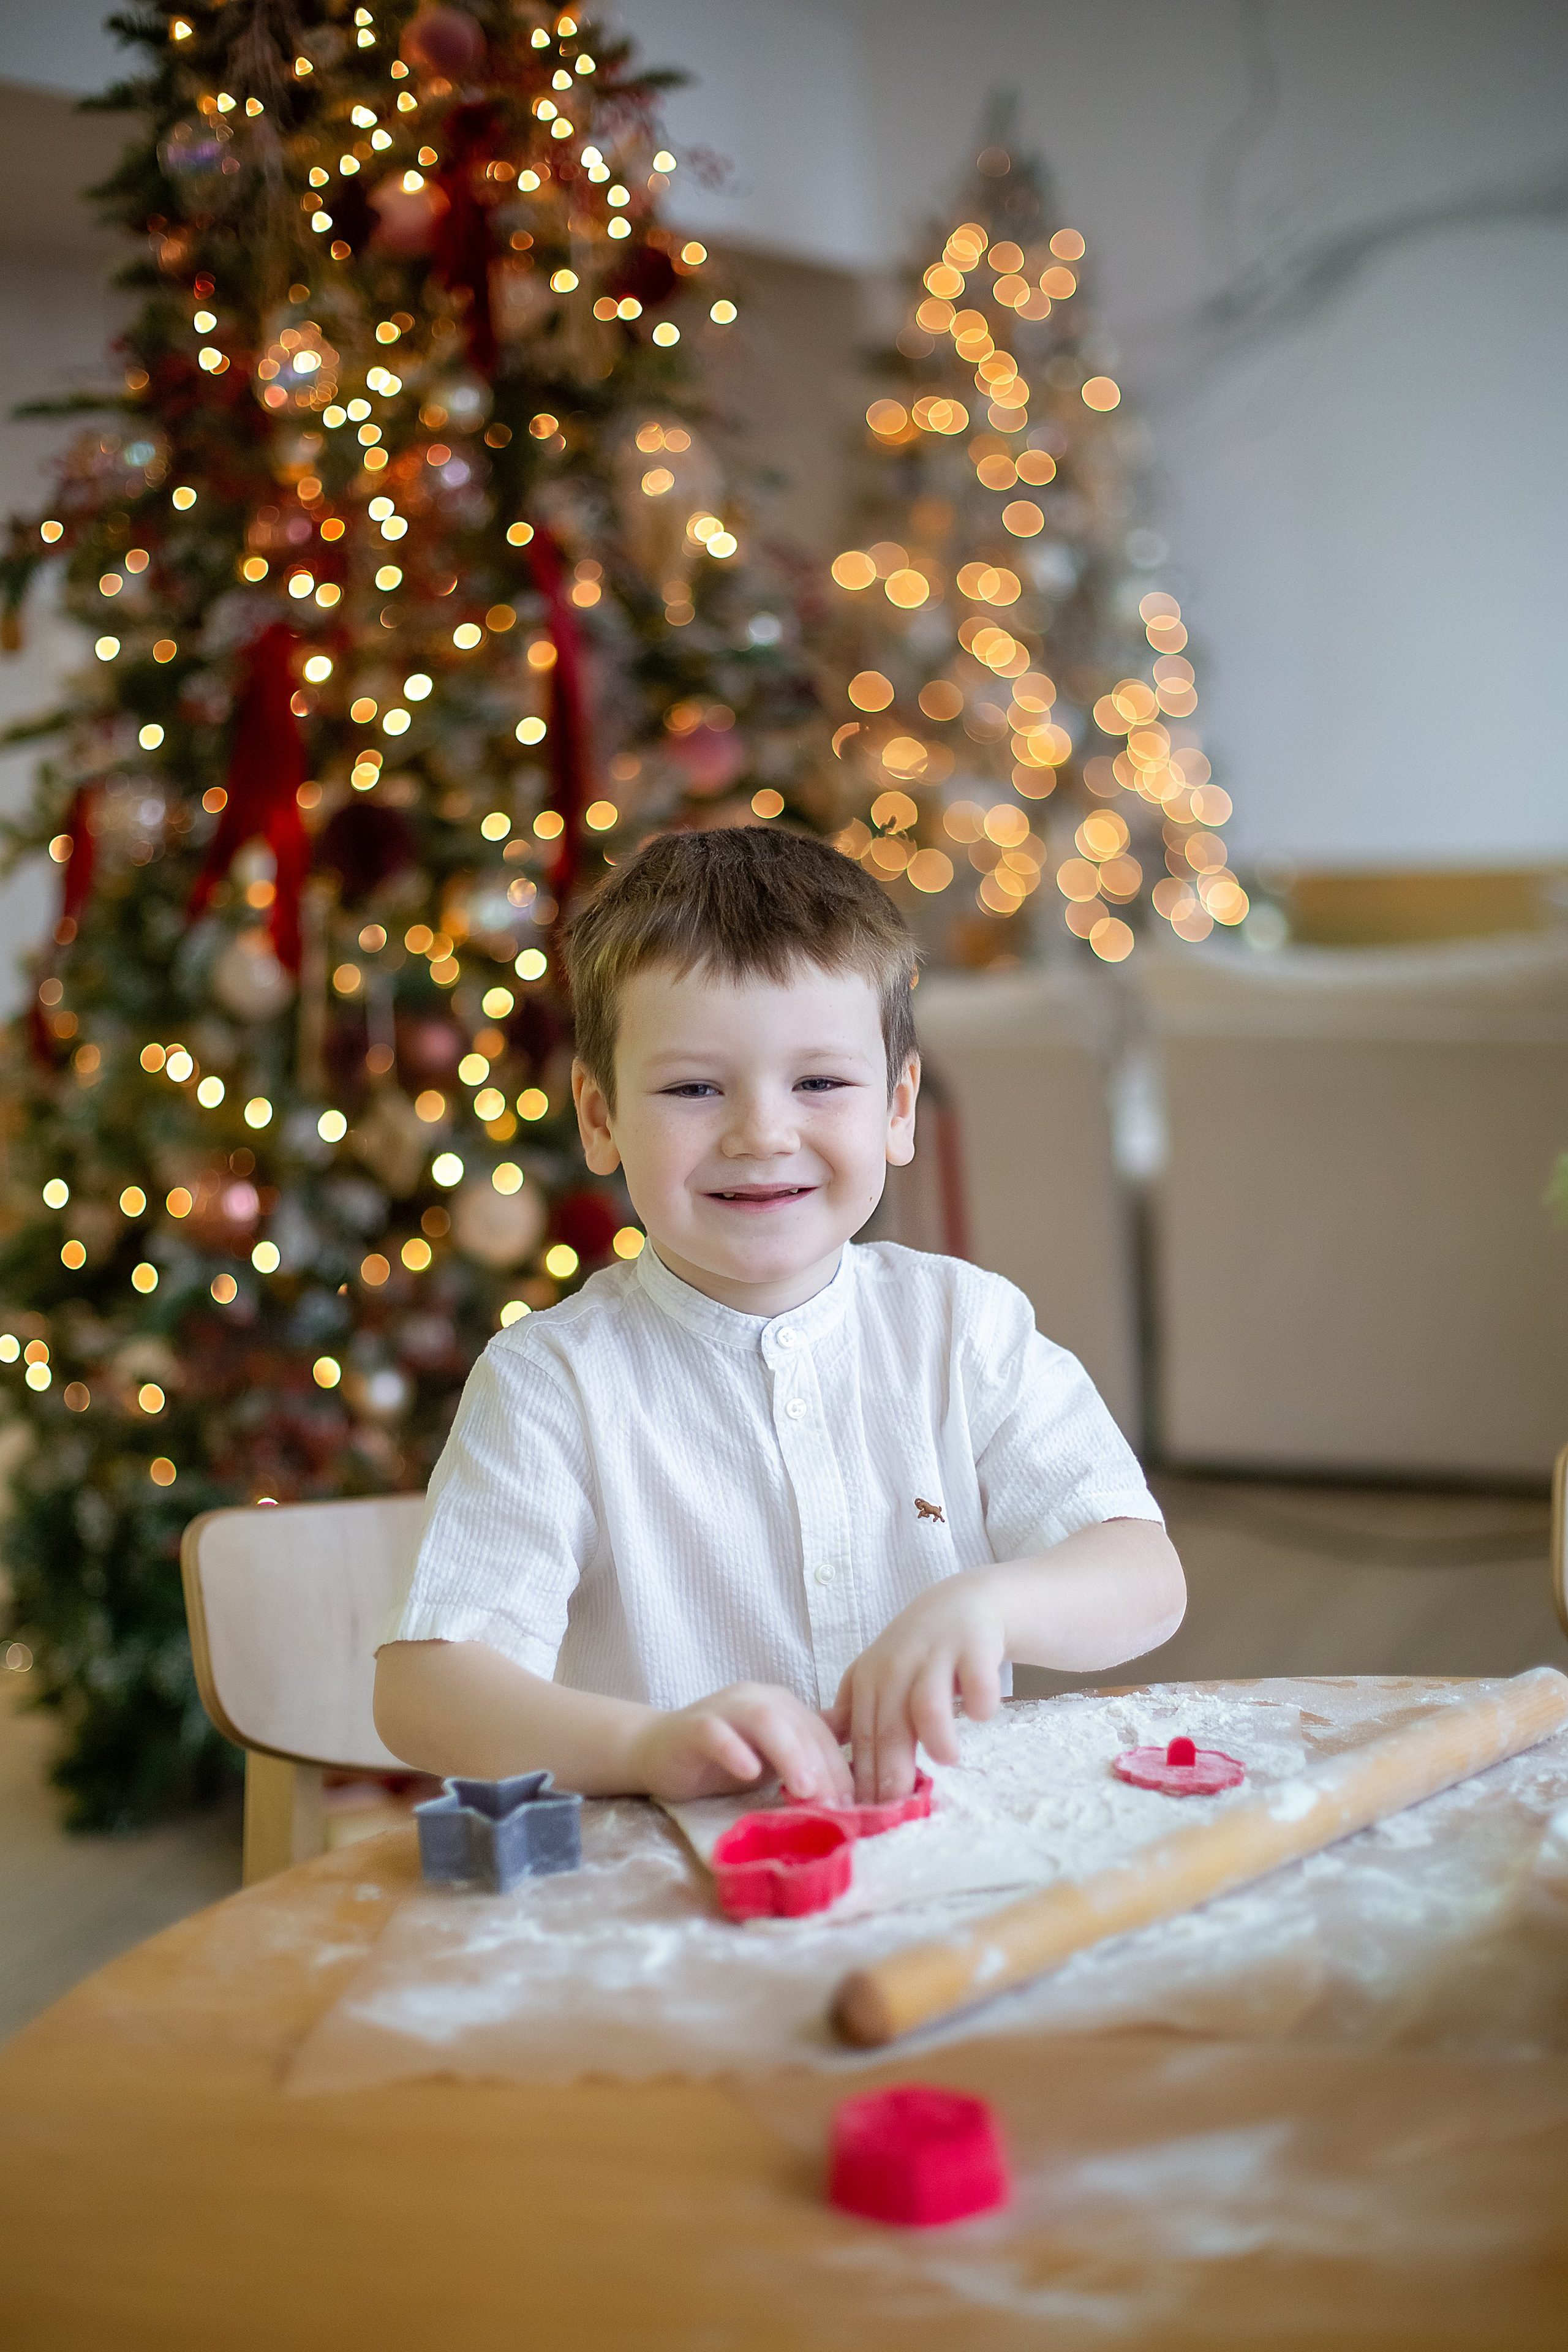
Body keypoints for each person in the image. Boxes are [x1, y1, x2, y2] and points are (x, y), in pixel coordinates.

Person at [374, 826, 1184, 1806]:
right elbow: (422, 1694)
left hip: (944, 1865)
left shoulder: (964, 1328)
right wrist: (645, 1746)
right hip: (674, 1900)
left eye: (819, 1083)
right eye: (693, 1088)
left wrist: (991, 1604)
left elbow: (1146, 1579)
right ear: (598, 1117)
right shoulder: (554, 1382)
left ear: (897, 1108)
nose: (762, 1133)